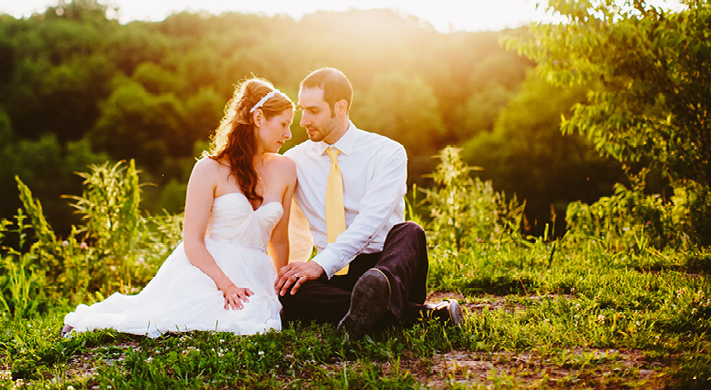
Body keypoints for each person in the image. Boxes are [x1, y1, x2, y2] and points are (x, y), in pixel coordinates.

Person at [62, 78, 296, 337]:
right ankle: (89, 320)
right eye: (284, 124)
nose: (288, 135)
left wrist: (280, 292)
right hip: (208, 269)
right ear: (259, 118)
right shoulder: (209, 168)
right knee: (191, 313)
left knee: (253, 317)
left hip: (258, 272)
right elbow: (192, 242)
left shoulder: (286, 169)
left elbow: (279, 239)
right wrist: (227, 286)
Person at [274, 67, 461, 338]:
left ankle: (374, 298)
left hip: (388, 266)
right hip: (335, 273)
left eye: (313, 111)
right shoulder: (293, 161)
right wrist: (298, 271)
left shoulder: (387, 153)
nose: (303, 121)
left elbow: (370, 222)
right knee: (290, 292)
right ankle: (418, 315)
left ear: (340, 107)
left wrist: (320, 264)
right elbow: (289, 225)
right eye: (302, 110)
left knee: (410, 231)